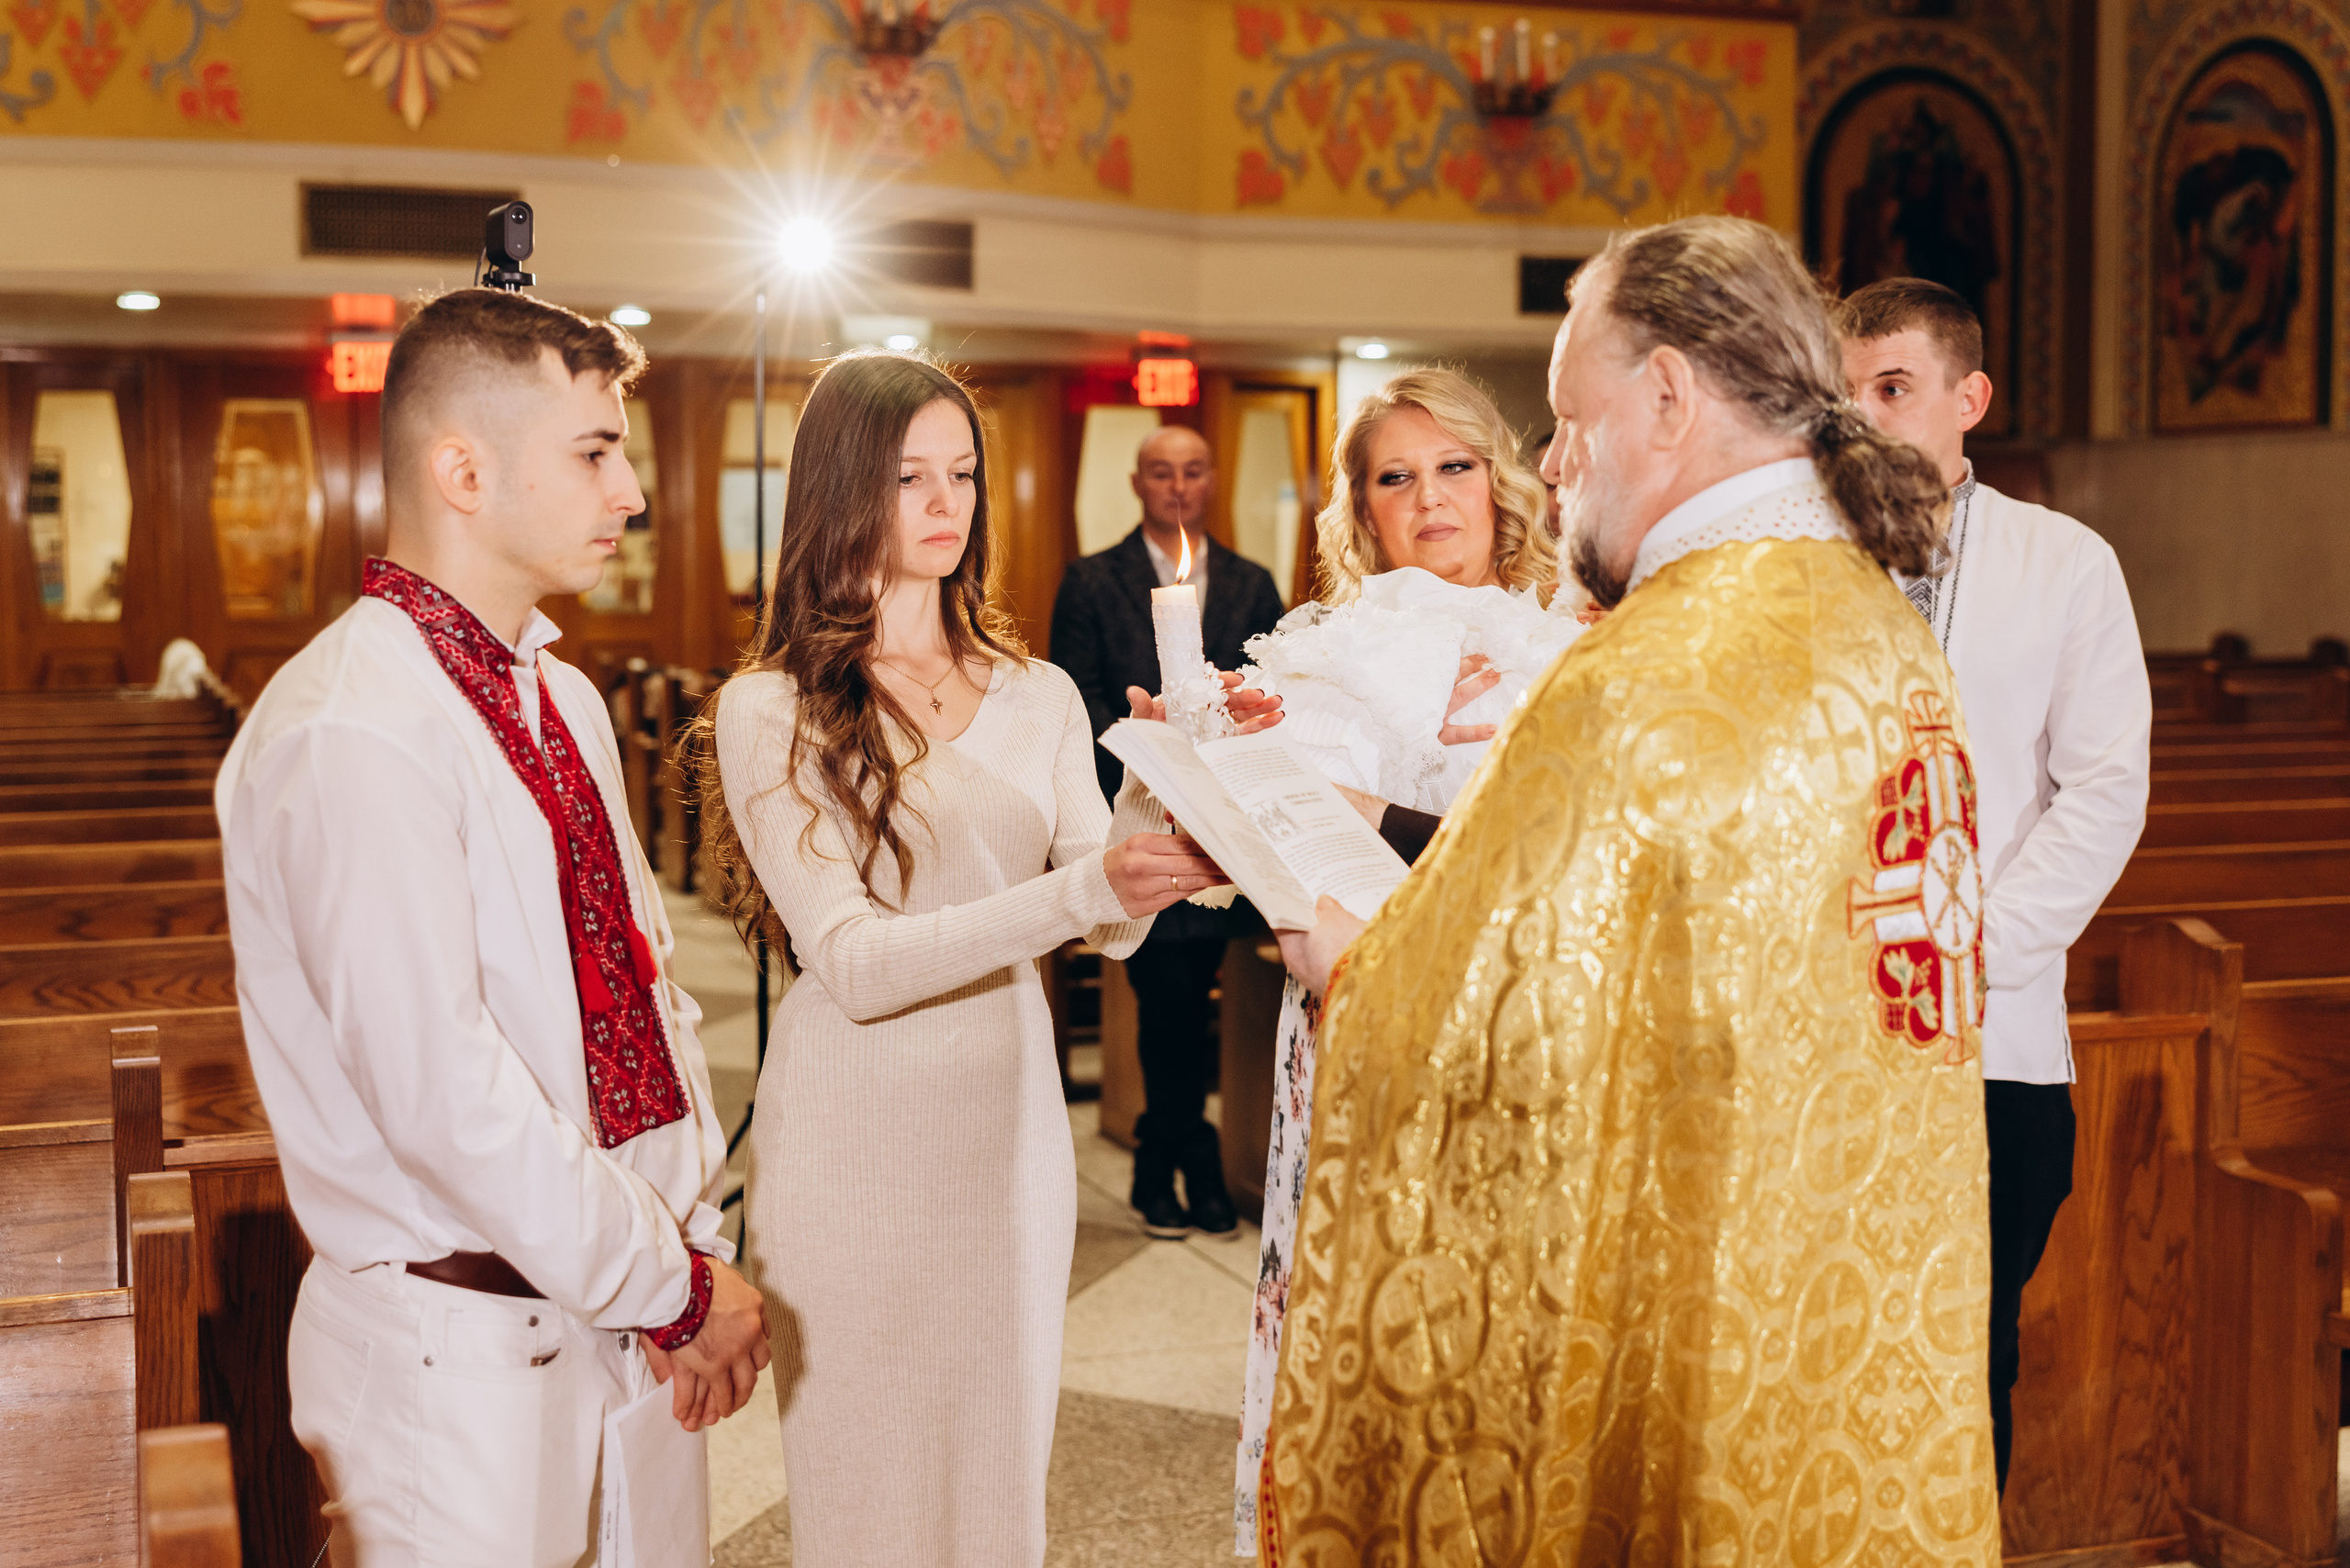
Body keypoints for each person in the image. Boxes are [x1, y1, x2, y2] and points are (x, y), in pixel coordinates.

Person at [1259, 216, 2003, 1562]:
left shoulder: (1648, 682)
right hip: (1855, 1318)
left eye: (1565, 420)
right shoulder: (1877, 630)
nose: (1549, 467)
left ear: (1666, 399)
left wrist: (1323, 939)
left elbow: (1480, 1037)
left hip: (1697, 1312)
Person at [215, 287, 768, 1567]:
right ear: (461, 469)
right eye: (595, 453)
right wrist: (676, 1288)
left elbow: (642, 990)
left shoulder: (560, 694)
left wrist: (687, 1248)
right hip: (449, 1361)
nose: (631, 493)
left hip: (621, 1315)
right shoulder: (349, 727)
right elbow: (444, 1095)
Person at [704, 352, 1234, 1566]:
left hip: (1006, 1142)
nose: (947, 504)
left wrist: (1154, 816)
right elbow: (853, 962)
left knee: (998, 1494)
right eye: (908, 478)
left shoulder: (1039, 691)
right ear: (842, 491)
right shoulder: (772, 707)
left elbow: (1109, 921)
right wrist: (1081, 887)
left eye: (963, 474)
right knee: (863, 1503)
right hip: (849, 1144)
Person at [1228, 366, 1576, 1555]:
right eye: (1395, 478)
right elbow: (1313, 857)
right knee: (1384, 1337)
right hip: (1375, 1023)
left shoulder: (1576, 639)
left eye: (1455, 468)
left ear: (1499, 481)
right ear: (1362, 513)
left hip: (1537, 1037)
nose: (1430, 499)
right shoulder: (1318, 659)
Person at [1837, 275, 2152, 1490]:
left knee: (1963, 1359)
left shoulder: (2065, 564)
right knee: (1820, 1351)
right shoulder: (1786, 564)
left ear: (1969, 399)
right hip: (1819, 1028)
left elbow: (2103, 791)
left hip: (1991, 1040)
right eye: (1846, 391)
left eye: (1895, 388)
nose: (1861, 417)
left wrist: (1968, 953)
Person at [1049, 424, 1289, 1238]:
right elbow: (1078, 706)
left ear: (1211, 479)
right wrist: (1153, 773)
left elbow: (1271, 696)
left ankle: (1171, 1148)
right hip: (1140, 814)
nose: (1178, 486)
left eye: (1192, 471)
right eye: (1162, 473)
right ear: (1137, 482)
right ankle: (1183, 1150)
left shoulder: (1254, 583)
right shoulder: (1090, 581)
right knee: (1169, 994)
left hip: (1228, 824)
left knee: (1204, 990)